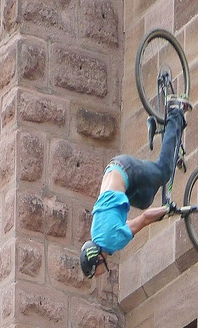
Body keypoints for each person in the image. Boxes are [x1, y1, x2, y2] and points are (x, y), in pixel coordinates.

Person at [79, 101, 188, 278]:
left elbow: (144, 220)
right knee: (146, 200)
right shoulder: (97, 235)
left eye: (96, 272)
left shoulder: (113, 242)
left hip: (127, 172)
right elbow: (129, 224)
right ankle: (169, 146)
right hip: (118, 172)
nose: (98, 275)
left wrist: (168, 210)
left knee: (163, 172)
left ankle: (175, 112)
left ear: (98, 259)